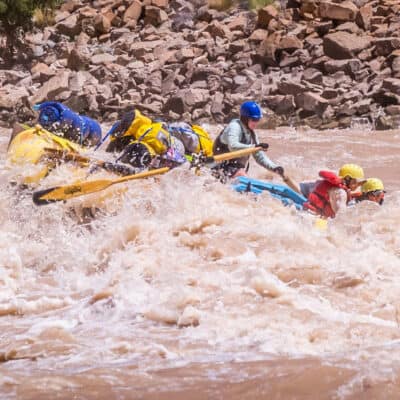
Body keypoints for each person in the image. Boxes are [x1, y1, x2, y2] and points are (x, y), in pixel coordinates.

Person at [212, 101, 284, 179]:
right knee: (242, 174)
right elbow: (233, 146)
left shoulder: (252, 134)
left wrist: (274, 168)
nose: (256, 122)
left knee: (269, 177)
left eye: (258, 119)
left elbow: (260, 157)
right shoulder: (234, 126)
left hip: (234, 169)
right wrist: (254, 147)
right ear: (245, 119)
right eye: (254, 119)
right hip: (220, 166)